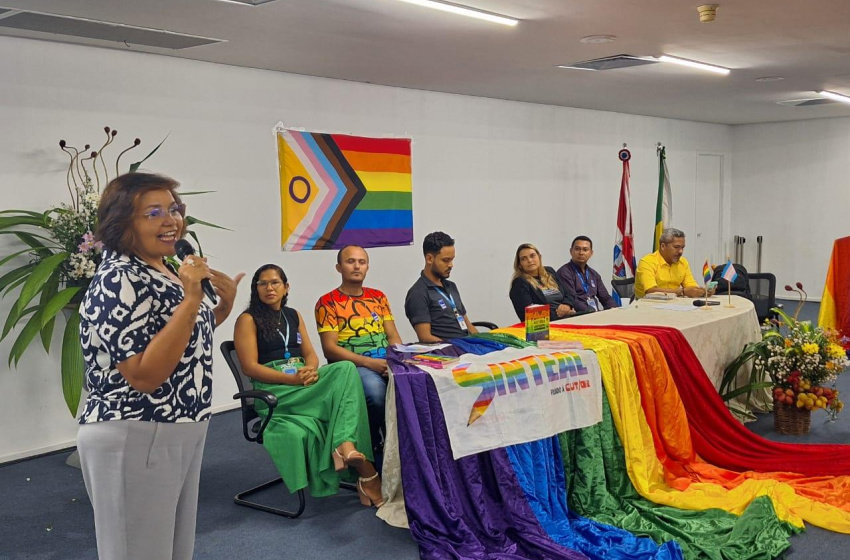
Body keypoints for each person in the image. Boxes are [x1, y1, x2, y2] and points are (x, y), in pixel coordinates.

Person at [77, 172, 244, 560]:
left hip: (176, 426)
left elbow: (177, 340)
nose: (171, 221)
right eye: (153, 213)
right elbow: (144, 375)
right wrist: (190, 299)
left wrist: (222, 306)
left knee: (170, 550)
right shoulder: (117, 279)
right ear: (122, 224)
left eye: (174, 209)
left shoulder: (161, 268)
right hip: (135, 429)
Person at [233, 264, 383, 507]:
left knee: (344, 368)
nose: (269, 288)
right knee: (345, 389)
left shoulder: (293, 315)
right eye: (263, 283)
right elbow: (250, 367)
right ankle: (364, 471)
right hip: (277, 387)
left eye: (275, 283)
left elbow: (311, 355)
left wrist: (311, 370)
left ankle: (345, 445)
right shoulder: (247, 319)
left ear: (286, 287)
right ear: (256, 289)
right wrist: (292, 379)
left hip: (301, 379)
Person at [315, 245, 402, 467]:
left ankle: (401, 448)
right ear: (339, 267)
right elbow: (330, 349)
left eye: (361, 262)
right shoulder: (328, 302)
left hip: (385, 361)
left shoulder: (378, 297)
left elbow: (393, 336)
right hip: (354, 366)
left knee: (415, 384)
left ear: (367, 267)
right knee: (376, 393)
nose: (356, 266)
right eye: (350, 261)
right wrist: (370, 363)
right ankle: (371, 445)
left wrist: (397, 359)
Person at [405, 231, 478, 342]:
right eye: (445, 260)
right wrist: (456, 347)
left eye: (452, 259)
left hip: (467, 345)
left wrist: (482, 342)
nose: (451, 265)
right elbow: (425, 338)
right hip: (448, 352)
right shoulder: (418, 293)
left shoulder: (451, 286)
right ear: (429, 259)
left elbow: (468, 324)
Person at [635, 227, 714, 299]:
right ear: (663, 246)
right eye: (676, 247)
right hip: (647, 305)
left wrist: (703, 292)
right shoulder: (647, 262)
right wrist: (682, 292)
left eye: (682, 247)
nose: (681, 251)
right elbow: (650, 291)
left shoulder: (683, 262)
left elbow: (691, 287)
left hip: (675, 304)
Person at [509, 243, 578, 321]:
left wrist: (567, 305)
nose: (529, 260)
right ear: (520, 264)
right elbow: (527, 314)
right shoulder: (520, 283)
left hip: (566, 319)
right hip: (544, 326)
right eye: (524, 259)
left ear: (539, 257)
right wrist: (561, 313)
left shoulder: (549, 271)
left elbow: (568, 294)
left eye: (532, 256)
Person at [557, 236, 618, 313]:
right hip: (578, 315)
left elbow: (605, 297)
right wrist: (591, 312)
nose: (581, 253)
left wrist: (614, 309)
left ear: (591, 253)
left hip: (594, 314)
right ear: (571, 251)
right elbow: (572, 299)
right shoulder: (564, 272)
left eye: (585, 250)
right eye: (577, 249)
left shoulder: (594, 274)